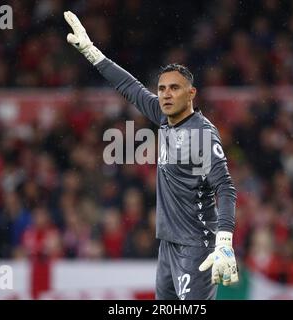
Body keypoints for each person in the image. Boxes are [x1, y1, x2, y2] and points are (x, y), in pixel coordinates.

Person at [64, 11, 238, 300]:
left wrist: (224, 241)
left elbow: (226, 187)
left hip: (197, 246)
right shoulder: (162, 116)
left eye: (174, 88)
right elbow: (130, 87)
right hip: (168, 244)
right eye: (162, 89)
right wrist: (92, 52)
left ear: (191, 93)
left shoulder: (202, 134)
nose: (166, 95)